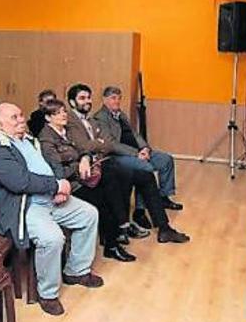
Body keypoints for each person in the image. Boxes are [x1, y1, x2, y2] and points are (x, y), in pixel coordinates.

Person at [0, 103, 103, 316]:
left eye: (21, 115)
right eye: (14, 117)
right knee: (52, 238)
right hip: (24, 206)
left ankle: (76, 271)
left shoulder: (28, 141)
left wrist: (59, 184)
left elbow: (49, 166)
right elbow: (19, 182)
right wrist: (55, 186)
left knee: (89, 214)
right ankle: (47, 294)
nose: (21, 119)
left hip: (48, 197)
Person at [65, 83, 189, 243]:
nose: (87, 101)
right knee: (142, 170)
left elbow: (110, 141)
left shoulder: (96, 119)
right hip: (99, 166)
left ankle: (164, 228)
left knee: (147, 175)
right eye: (82, 98)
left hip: (108, 161)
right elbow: (96, 145)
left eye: (88, 97)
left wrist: (144, 148)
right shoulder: (77, 121)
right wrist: (101, 144)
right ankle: (132, 218)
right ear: (72, 102)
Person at [38, 99, 136, 262]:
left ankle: (118, 232)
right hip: (71, 184)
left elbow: (83, 149)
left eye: (64, 111)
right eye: (58, 113)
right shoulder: (47, 140)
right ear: (48, 118)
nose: (63, 115)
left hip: (84, 176)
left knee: (115, 179)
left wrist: (84, 158)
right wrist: (79, 166)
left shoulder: (67, 131)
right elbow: (58, 172)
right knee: (105, 197)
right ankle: (117, 234)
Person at [94, 85, 182, 229]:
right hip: (118, 156)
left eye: (119, 98)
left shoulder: (121, 115)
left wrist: (145, 148)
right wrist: (136, 154)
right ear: (104, 100)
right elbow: (111, 144)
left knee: (166, 159)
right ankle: (140, 210)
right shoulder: (100, 118)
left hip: (138, 152)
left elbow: (134, 134)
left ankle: (164, 196)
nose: (117, 101)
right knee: (145, 169)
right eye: (113, 98)